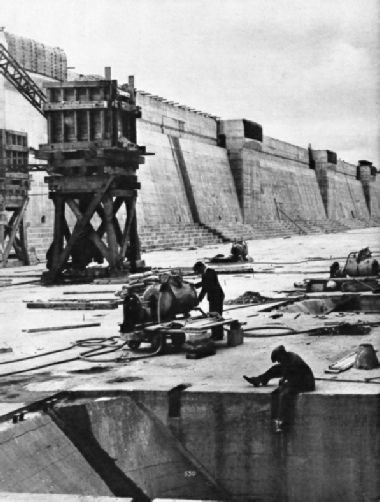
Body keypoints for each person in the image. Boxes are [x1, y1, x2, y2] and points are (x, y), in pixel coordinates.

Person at [243, 345, 315, 432]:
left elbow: (288, 378)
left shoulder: (293, 360)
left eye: (278, 359)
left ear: (282, 355)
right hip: (297, 378)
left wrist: (283, 383)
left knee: (285, 394)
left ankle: (285, 422)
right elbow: (285, 373)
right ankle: (259, 379)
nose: (279, 361)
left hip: (306, 382)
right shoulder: (287, 358)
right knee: (275, 369)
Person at [193, 261, 225, 340]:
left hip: (217, 297)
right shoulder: (206, 274)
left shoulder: (211, 272)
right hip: (212, 297)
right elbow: (204, 287)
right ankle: (215, 334)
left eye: (198, 271)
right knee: (213, 316)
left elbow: (206, 285)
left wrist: (196, 286)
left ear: (202, 267)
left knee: (217, 315)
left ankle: (219, 335)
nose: (198, 273)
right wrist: (199, 299)